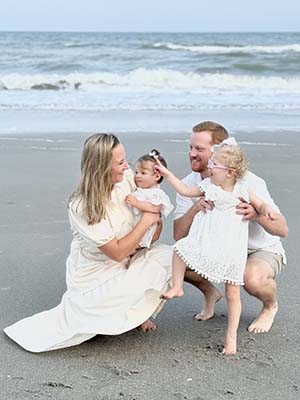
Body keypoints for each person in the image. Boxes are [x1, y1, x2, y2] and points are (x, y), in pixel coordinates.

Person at [4, 133, 172, 353]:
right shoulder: (82, 205)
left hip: (130, 257)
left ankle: (198, 294)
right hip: (96, 275)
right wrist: (148, 219)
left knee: (171, 255)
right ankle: (114, 310)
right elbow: (117, 252)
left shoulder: (126, 180)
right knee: (88, 320)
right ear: (102, 167)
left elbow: (153, 201)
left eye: (125, 160)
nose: (126, 167)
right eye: (120, 163)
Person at [156, 140, 276, 354]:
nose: (209, 167)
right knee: (180, 249)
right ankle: (177, 286)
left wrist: (267, 210)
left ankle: (231, 339)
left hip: (231, 250)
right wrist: (166, 173)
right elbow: (184, 190)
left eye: (214, 164)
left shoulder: (242, 189)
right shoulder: (208, 187)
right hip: (207, 243)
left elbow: (260, 203)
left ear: (230, 172)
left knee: (233, 293)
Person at [174, 121, 288, 335]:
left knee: (251, 278)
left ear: (219, 151)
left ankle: (270, 306)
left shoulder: (247, 182)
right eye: (190, 148)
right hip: (219, 246)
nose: (192, 154)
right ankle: (210, 293)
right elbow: (178, 235)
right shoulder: (190, 184)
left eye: (199, 149)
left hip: (258, 250)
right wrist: (195, 208)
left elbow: (282, 229)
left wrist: (256, 214)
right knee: (174, 257)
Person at [125, 149, 174, 249]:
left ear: (156, 176)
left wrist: (137, 203)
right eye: (136, 172)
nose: (138, 176)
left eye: (143, 173)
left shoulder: (156, 194)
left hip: (146, 229)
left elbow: (155, 208)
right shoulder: (141, 190)